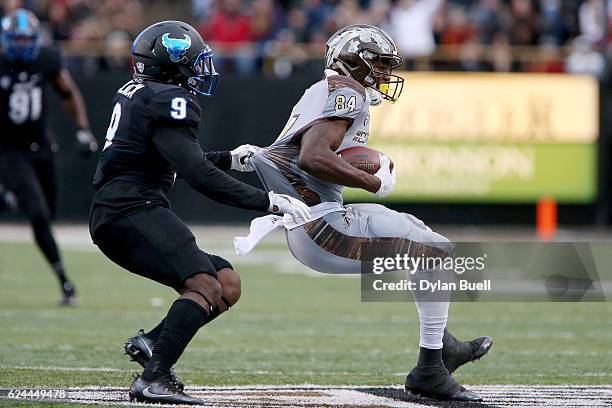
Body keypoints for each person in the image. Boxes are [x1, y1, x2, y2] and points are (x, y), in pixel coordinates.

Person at [239, 24, 492, 402]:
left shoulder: (325, 91)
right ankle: (431, 366)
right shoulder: (347, 92)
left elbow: (287, 155)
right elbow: (313, 156)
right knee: (437, 254)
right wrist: (369, 181)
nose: (386, 75)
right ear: (353, 62)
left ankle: (440, 352)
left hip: (317, 221)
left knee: (429, 241)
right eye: (379, 64)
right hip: (324, 228)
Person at [89, 20, 310, 405]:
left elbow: (172, 160)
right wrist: (268, 200)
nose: (200, 69)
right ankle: (153, 378)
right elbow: (197, 175)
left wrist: (227, 158)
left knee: (225, 283)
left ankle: (153, 342)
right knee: (203, 285)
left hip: (124, 206)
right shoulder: (169, 100)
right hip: (129, 208)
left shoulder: (143, 94)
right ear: (172, 63)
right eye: (194, 61)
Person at [0, 8, 98, 305]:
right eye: (15, 39)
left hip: (41, 146)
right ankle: (65, 284)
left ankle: (8, 198)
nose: (20, 45)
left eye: (26, 38)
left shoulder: (45, 59)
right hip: (9, 150)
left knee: (48, 212)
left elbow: (68, 93)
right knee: (38, 214)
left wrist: (83, 129)